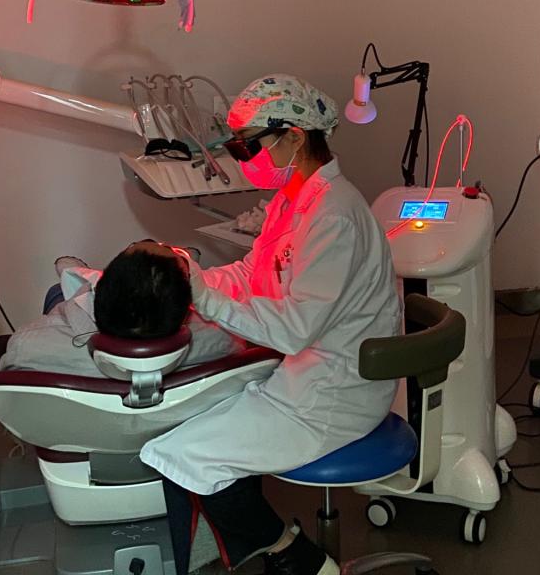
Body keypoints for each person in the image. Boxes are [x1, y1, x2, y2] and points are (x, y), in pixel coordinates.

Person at [139, 74, 402, 575]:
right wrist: (194, 278)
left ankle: (297, 557)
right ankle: (256, 552)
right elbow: (253, 272)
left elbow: (293, 330)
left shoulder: (334, 215)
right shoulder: (293, 199)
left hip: (334, 394)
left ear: (294, 137)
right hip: (304, 375)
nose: (243, 157)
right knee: (182, 438)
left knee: (179, 456)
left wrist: (204, 299)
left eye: (246, 145)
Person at [0, 244, 246, 376]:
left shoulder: (27, 347)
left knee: (57, 293)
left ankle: (74, 273)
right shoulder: (223, 341)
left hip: (76, 439)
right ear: (186, 310)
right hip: (165, 430)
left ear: (98, 290)